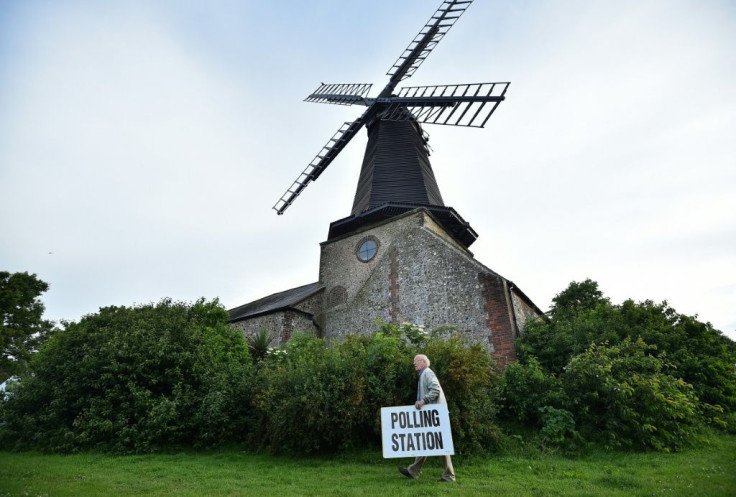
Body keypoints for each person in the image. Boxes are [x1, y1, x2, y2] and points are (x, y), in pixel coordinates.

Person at [398, 354, 456, 482]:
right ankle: (414, 471)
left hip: (435, 415)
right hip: (432, 415)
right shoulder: (423, 374)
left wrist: (423, 400)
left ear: (424, 362)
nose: (414, 364)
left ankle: (449, 476)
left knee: (440, 444)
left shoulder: (427, 373)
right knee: (426, 442)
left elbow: (435, 390)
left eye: (416, 361)